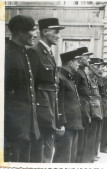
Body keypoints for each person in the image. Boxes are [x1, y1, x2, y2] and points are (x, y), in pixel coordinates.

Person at [27, 17, 65, 163]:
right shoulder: (35, 52)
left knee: (48, 147)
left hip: (49, 108)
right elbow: (31, 85)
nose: (58, 35)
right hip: (40, 111)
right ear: (44, 31)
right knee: (39, 151)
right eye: (56, 31)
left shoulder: (48, 53)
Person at [4, 15, 40, 162]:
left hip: (25, 126)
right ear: (20, 32)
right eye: (33, 30)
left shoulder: (22, 53)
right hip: (12, 129)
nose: (35, 34)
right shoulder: (7, 54)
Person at [53, 49, 84, 163]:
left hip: (73, 124)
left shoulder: (69, 78)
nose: (78, 64)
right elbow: (58, 102)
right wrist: (60, 123)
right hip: (66, 126)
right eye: (77, 61)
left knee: (70, 157)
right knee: (63, 158)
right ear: (70, 62)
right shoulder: (61, 78)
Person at [73, 47, 93, 163]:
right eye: (87, 57)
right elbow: (75, 93)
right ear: (80, 58)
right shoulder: (77, 73)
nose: (89, 59)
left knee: (83, 140)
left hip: (85, 109)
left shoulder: (81, 72)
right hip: (80, 110)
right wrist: (83, 111)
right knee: (79, 142)